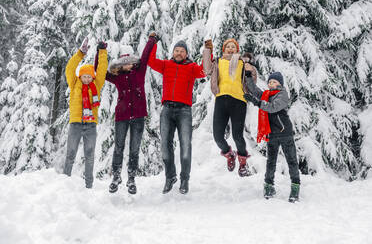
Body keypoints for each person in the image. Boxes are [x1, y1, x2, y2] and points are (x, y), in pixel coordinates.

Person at [148, 37, 205, 194]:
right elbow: (151, 61)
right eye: (177, 51)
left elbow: (204, 70)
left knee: (185, 145)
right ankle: (170, 177)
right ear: (173, 52)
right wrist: (153, 42)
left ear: (186, 54)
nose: (179, 53)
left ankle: (185, 179)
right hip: (167, 110)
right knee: (165, 145)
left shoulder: (192, 68)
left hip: (184, 111)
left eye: (182, 51)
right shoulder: (166, 65)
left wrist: (208, 51)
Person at [105, 33, 158, 194]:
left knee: (134, 148)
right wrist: (101, 53)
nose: (127, 65)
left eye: (130, 63)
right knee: (119, 147)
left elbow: (145, 55)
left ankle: (131, 179)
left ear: (134, 63)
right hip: (121, 116)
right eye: (124, 63)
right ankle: (116, 177)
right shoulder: (117, 78)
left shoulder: (139, 72)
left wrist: (151, 40)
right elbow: (100, 72)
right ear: (119, 65)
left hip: (138, 117)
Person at [202, 38, 258, 177]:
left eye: (234, 47)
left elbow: (253, 81)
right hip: (221, 99)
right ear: (224, 49)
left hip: (239, 101)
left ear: (237, 50)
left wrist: (251, 68)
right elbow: (207, 69)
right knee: (218, 136)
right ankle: (229, 154)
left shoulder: (242, 63)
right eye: (228, 47)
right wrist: (208, 50)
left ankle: (243, 164)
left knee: (237, 135)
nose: (231, 49)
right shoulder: (218, 62)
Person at [243, 71, 301, 202]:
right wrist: (248, 77)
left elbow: (273, 107)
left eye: (274, 82)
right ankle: (268, 186)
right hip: (272, 134)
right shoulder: (267, 95)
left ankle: (295, 187)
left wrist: (257, 103)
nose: (271, 84)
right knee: (271, 162)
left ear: (280, 83)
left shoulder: (282, 95)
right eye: (269, 82)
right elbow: (255, 91)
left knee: (291, 160)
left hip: (285, 132)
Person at [63, 37, 108, 188]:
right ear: (80, 76)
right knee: (70, 154)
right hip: (75, 124)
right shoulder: (74, 83)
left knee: (89, 155)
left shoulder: (96, 84)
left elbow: (102, 69)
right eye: (84, 76)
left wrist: (102, 51)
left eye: (89, 76)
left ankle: (89, 185)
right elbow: (70, 68)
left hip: (90, 126)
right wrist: (80, 53)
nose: (87, 78)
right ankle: (64, 183)